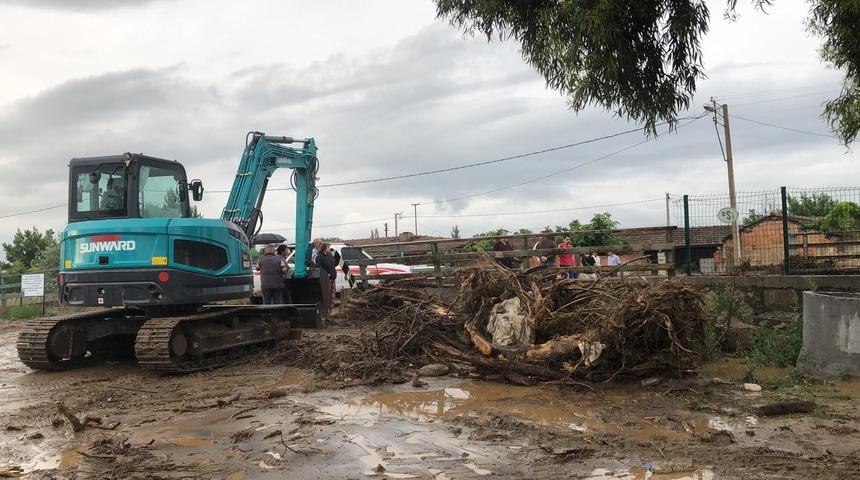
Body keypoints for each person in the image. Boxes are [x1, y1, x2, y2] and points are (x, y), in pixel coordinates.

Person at [315, 242, 338, 308]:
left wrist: (336, 258)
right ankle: (327, 309)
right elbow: (318, 267)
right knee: (327, 295)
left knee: (332, 293)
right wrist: (326, 274)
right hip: (326, 278)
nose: (329, 248)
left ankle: (331, 307)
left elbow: (334, 263)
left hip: (333, 276)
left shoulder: (329, 255)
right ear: (324, 248)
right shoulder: (319, 256)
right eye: (328, 247)